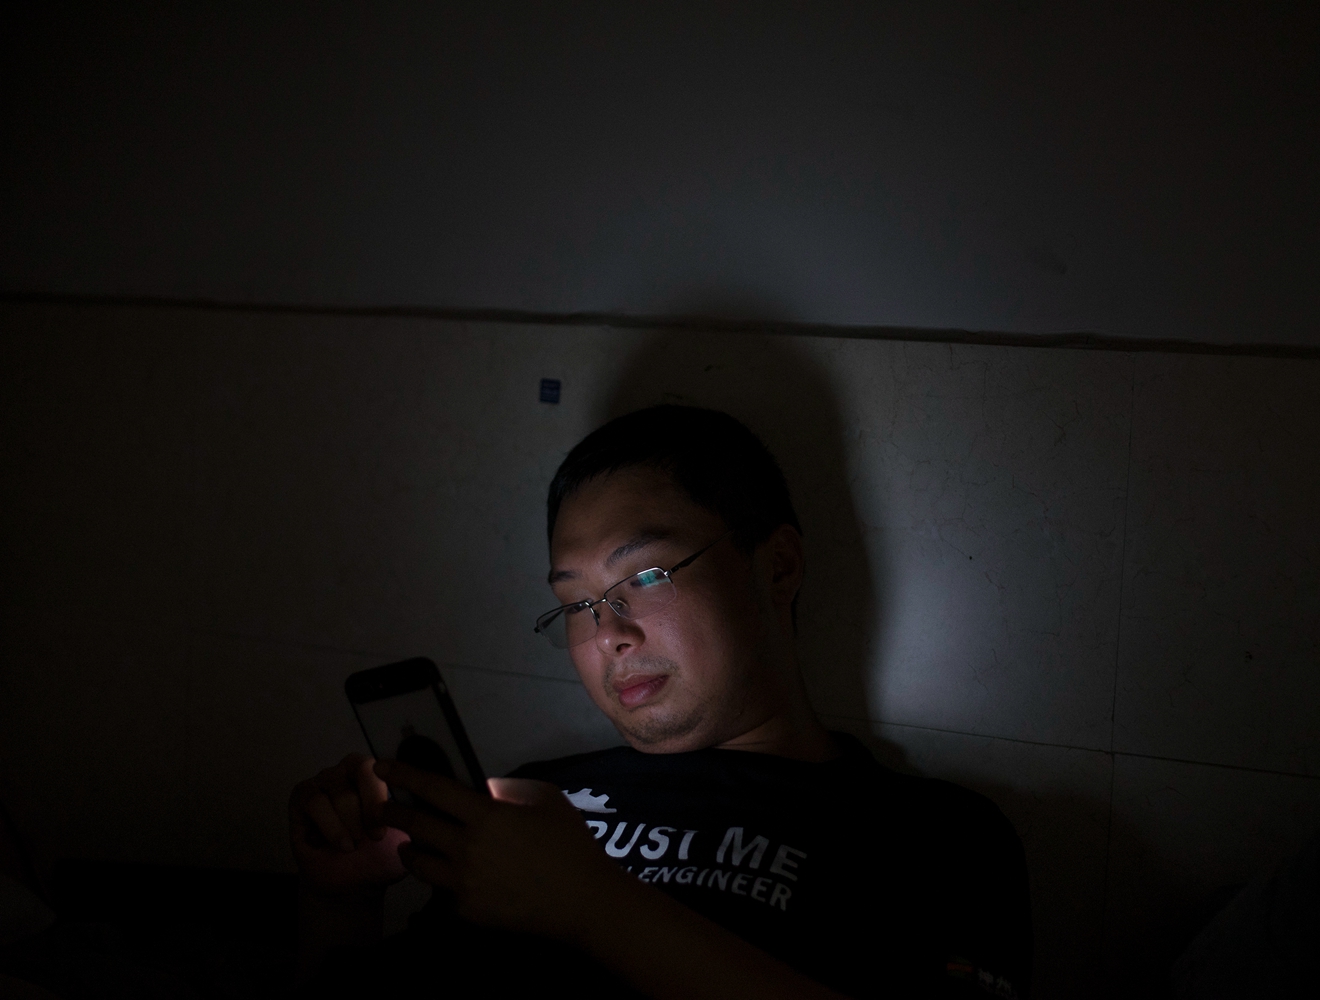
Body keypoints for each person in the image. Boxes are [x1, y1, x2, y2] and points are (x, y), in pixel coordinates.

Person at [289, 405, 1032, 998]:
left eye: (645, 578)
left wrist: (590, 905)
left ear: (777, 567)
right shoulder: (528, 802)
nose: (607, 634)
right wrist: (342, 900)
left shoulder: (935, 837)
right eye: (575, 604)